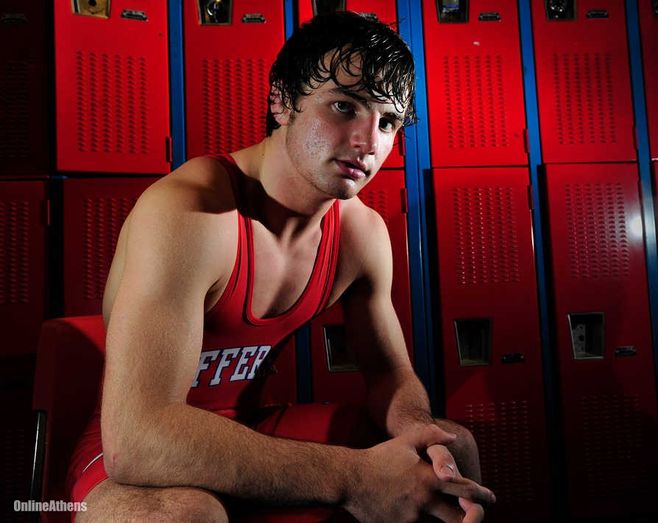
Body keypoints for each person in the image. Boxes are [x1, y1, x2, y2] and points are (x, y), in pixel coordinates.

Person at [68, 11, 494, 522]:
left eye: (388, 122)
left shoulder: (360, 234)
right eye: (343, 106)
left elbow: (388, 376)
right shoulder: (190, 213)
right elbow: (136, 437)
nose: (369, 142)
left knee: (450, 451)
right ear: (281, 101)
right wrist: (353, 478)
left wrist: (418, 430)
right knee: (186, 516)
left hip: (250, 426)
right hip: (127, 455)